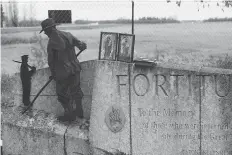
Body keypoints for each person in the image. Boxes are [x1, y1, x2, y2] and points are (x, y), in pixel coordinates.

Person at [39, 18, 87, 122]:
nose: (46, 34)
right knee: (76, 91)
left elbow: (51, 62)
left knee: (62, 93)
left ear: (50, 29)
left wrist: (54, 74)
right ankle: (79, 112)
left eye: (45, 31)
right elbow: (81, 45)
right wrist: (82, 46)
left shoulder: (51, 42)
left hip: (63, 73)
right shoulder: (68, 35)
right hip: (75, 68)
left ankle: (69, 115)